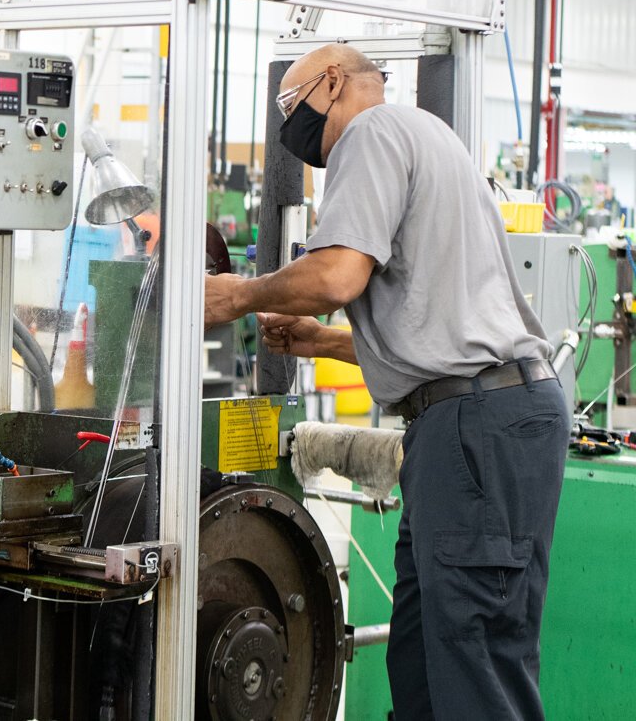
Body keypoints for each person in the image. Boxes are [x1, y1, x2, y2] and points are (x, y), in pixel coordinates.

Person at [204, 44, 566, 721]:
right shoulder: (430, 137)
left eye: (292, 106)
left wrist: (234, 297)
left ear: (333, 81)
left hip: (475, 432)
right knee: (428, 658)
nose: (292, 129)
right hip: (477, 419)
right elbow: (439, 324)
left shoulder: (369, 133)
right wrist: (324, 342)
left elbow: (337, 275)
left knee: (472, 660)